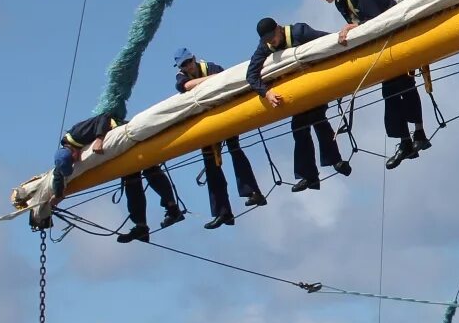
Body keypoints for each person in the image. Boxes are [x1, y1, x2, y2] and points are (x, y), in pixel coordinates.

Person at [311, 0, 434, 169]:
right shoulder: (341, 1)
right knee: (397, 90)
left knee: (400, 87)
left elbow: (378, 20)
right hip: (383, 46)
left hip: (396, 39)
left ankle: (413, 137)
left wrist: (352, 27)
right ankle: (411, 138)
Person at [247, 18, 351, 191]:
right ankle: (309, 176)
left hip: (315, 83)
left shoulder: (299, 32)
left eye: (272, 36)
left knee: (317, 117)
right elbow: (251, 75)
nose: (271, 41)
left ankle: (334, 161)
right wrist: (267, 93)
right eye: (267, 39)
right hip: (297, 92)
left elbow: (327, 41)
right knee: (299, 128)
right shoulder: (264, 47)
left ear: (279, 29)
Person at [51, 111, 185, 244]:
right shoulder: (64, 154)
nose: (76, 161)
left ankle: (172, 209)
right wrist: (57, 195)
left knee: (150, 169)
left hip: (127, 136)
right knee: (131, 182)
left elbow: (104, 116)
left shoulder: (77, 134)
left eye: (74, 160)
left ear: (71, 151)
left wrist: (99, 139)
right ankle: (141, 227)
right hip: (122, 150)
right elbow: (58, 174)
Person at [172, 48, 268, 229]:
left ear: (193, 59)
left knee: (234, 149)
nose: (188, 67)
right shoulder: (182, 77)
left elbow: (225, 78)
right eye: (184, 65)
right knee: (211, 165)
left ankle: (253, 192)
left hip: (225, 114)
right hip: (206, 122)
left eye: (189, 62)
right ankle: (223, 213)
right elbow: (185, 86)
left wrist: (209, 79)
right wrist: (211, 80)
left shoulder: (210, 66)